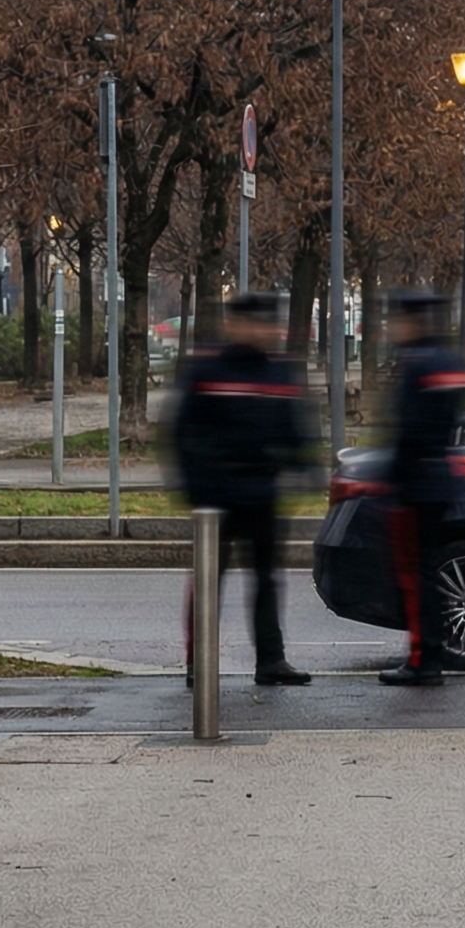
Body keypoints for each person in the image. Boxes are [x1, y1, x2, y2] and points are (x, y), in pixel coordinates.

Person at [169, 293, 311, 687]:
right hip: (216, 492)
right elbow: (181, 432)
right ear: (235, 325)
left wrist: (302, 465)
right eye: (255, 323)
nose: (263, 332)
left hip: (262, 491)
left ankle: (271, 660)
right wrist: (195, 488)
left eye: (268, 324)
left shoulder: (279, 373)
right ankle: (198, 662)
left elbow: (295, 429)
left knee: (267, 579)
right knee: (208, 579)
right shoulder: (208, 369)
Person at [380, 290, 465, 686]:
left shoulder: (416, 365)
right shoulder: (451, 362)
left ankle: (424, 658)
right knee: (431, 572)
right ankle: (435, 650)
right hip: (441, 479)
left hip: (416, 485)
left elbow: (407, 429)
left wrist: (390, 479)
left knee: (415, 578)